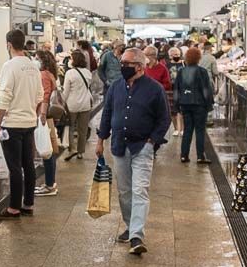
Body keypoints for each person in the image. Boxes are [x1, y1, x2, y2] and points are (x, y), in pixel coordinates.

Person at [96, 48, 171, 254]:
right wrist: (101, 139)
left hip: (142, 148)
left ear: (139, 66)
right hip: (119, 145)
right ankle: (130, 226)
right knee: (124, 192)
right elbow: (107, 113)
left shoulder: (155, 89)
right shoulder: (116, 87)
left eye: (126, 64)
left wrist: (151, 141)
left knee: (140, 190)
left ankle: (137, 235)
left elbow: (164, 118)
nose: (122, 67)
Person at [0, 29, 43, 219]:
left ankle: (13, 208)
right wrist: (33, 116)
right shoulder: (33, 66)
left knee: (14, 167)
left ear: (8, 45)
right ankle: (28, 204)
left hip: (12, 124)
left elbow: (4, 97)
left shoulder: (10, 66)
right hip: (29, 123)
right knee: (28, 164)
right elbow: (40, 96)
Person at [174, 47, 214, 164]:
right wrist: (209, 104)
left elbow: (176, 89)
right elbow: (206, 89)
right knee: (200, 130)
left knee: (187, 130)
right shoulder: (202, 71)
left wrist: (177, 105)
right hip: (199, 105)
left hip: (185, 104)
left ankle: (184, 155)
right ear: (198, 58)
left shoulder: (181, 71)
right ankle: (200, 156)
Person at [62, 48, 96, 161]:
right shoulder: (87, 73)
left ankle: (72, 150)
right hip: (85, 104)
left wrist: (62, 103)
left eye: (71, 58)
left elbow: (66, 92)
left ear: (74, 60)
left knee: (71, 128)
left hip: (72, 105)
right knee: (83, 130)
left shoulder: (69, 73)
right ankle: (81, 152)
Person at [35, 50, 61, 197]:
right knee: (49, 148)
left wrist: (42, 114)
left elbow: (45, 96)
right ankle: (50, 183)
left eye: (37, 58)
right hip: (48, 115)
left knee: (47, 150)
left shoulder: (44, 74)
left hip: (44, 115)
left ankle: (50, 185)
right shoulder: (51, 73)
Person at [164, 47, 184, 136]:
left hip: (182, 88)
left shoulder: (184, 64)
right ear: (170, 56)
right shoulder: (167, 65)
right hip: (171, 89)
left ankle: (182, 128)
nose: (177, 56)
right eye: (174, 55)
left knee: (182, 109)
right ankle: (176, 128)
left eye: (178, 54)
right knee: (172, 110)